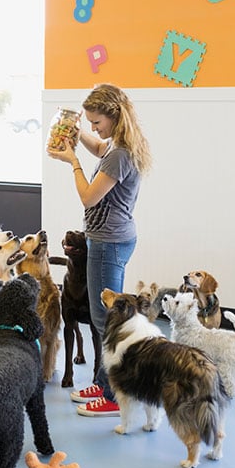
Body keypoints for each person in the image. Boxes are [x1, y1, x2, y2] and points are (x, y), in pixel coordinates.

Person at [47, 83, 152, 417]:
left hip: (109, 243)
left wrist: (72, 161)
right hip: (107, 238)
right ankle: (102, 380)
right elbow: (99, 148)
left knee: (106, 320)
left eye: (97, 123)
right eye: (89, 123)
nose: (94, 129)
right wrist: (76, 136)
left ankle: (111, 395)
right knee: (100, 318)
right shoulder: (118, 145)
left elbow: (89, 196)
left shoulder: (121, 154)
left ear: (114, 116)